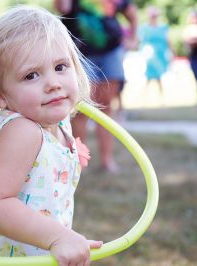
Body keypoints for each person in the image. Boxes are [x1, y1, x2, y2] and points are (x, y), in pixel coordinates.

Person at [0, 5, 102, 266]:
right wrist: (59, 237)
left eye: (60, 67)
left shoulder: (59, 123)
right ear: (1, 97)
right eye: (31, 75)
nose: (53, 83)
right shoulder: (22, 130)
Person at [54, 0, 138, 172]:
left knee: (106, 108)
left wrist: (132, 38)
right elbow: (61, 8)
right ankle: (77, 163)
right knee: (80, 111)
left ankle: (107, 160)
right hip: (81, 54)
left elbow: (131, 12)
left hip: (111, 52)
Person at [138, 6, 173, 95]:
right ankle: (144, 95)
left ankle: (161, 95)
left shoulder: (163, 27)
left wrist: (172, 51)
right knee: (149, 75)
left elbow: (168, 40)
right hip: (148, 55)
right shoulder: (144, 28)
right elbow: (139, 40)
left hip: (160, 54)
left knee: (159, 75)